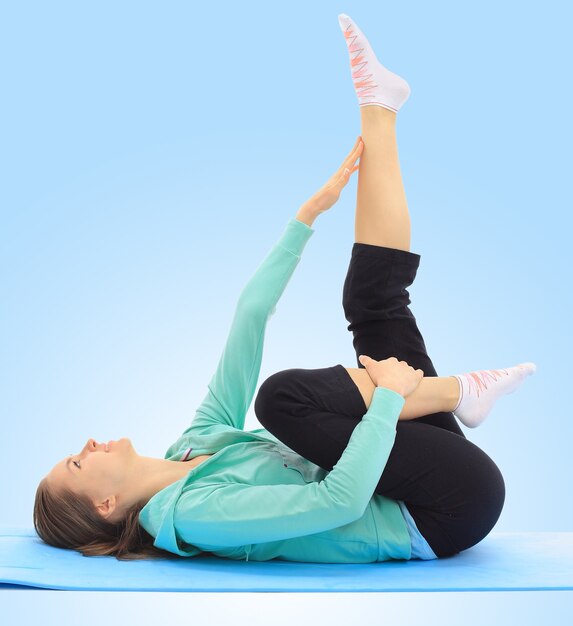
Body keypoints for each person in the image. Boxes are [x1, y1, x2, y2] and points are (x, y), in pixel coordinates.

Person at [33, 13, 535, 562]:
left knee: (370, 301)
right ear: (106, 504)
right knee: (282, 400)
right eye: (78, 463)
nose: (86, 446)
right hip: (439, 511)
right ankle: (462, 392)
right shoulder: (189, 514)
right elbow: (340, 502)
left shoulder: (197, 444)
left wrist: (304, 220)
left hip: (412, 468)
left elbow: (248, 316)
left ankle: (380, 106)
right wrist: (388, 396)